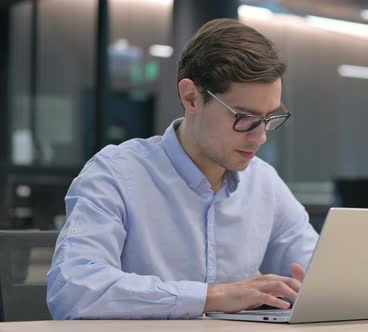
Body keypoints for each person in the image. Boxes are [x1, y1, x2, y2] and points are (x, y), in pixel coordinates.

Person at [47, 18, 319, 320]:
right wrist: (213, 296)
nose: (261, 136)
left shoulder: (263, 181)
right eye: (245, 117)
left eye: (269, 118)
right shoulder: (115, 173)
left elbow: (316, 268)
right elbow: (75, 290)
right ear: (191, 97)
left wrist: (327, 287)